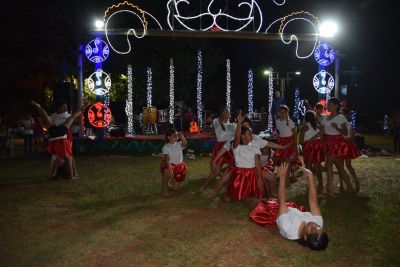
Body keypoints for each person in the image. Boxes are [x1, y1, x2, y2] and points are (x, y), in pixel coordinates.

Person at [276, 163, 329, 250]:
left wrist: (282, 177)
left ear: (304, 236)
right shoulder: (318, 225)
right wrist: (310, 177)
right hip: (293, 211)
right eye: (319, 227)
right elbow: (313, 202)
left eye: (313, 229)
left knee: (262, 203)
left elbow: (282, 201)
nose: (315, 225)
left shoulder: (288, 228)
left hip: (279, 211)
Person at [30, 100, 88, 180]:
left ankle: (38, 106)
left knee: (50, 117)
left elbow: (75, 119)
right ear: (59, 108)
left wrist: (50, 175)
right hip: (61, 133)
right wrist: (71, 177)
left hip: (56, 134)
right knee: (71, 118)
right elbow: (69, 159)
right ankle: (84, 106)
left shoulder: (55, 154)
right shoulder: (54, 115)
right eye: (64, 106)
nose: (65, 108)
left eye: (66, 106)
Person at [225, 112, 265, 203]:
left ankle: (247, 196)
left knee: (257, 198)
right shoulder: (237, 147)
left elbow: (257, 162)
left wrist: (259, 177)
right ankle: (241, 195)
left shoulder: (255, 145)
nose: (252, 135)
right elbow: (237, 137)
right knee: (228, 199)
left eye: (251, 133)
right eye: (249, 133)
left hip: (252, 174)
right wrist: (239, 124)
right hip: (240, 174)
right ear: (243, 135)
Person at [322, 98, 354, 195]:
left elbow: (345, 132)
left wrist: (337, 127)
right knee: (340, 167)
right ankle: (349, 187)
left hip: (337, 143)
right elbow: (323, 131)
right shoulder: (325, 117)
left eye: (329, 104)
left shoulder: (340, 118)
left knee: (328, 165)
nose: (327, 106)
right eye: (327, 104)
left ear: (336, 106)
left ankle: (329, 189)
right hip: (328, 142)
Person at [200, 107, 236, 191]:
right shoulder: (216, 120)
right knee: (216, 170)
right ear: (222, 113)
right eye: (226, 111)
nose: (228, 112)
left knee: (234, 165)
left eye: (228, 111)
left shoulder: (230, 124)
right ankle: (204, 185)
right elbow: (221, 123)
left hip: (228, 147)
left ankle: (223, 178)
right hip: (220, 147)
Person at [273, 105, 301, 182]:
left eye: (284, 113)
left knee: (289, 160)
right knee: (284, 160)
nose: (283, 114)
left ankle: (288, 178)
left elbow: (295, 134)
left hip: (290, 142)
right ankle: (288, 177)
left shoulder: (289, 122)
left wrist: (295, 146)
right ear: (278, 113)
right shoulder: (277, 121)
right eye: (281, 113)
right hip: (282, 142)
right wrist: (277, 134)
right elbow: (279, 131)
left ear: (287, 113)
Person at [299, 111, 325, 193]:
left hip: (309, 146)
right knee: (317, 165)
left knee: (309, 165)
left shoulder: (304, 127)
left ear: (305, 118)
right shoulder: (318, 126)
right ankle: (321, 184)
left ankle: (311, 185)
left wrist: (305, 143)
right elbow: (323, 135)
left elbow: (301, 140)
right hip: (317, 146)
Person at [160, 128, 188, 198]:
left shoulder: (178, 144)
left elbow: (185, 144)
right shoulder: (166, 147)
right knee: (166, 172)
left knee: (176, 188)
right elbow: (167, 160)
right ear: (169, 137)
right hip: (170, 165)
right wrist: (171, 171)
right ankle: (164, 191)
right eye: (174, 135)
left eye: (176, 135)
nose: (176, 136)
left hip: (179, 166)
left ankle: (171, 183)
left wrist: (182, 137)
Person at [341, 108, 361, 192]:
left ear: (346, 115)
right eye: (340, 113)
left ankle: (356, 180)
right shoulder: (338, 124)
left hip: (346, 146)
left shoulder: (349, 124)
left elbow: (352, 137)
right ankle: (341, 185)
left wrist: (344, 138)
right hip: (338, 146)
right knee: (340, 166)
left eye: (342, 113)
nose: (341, 115)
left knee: (348, 165)